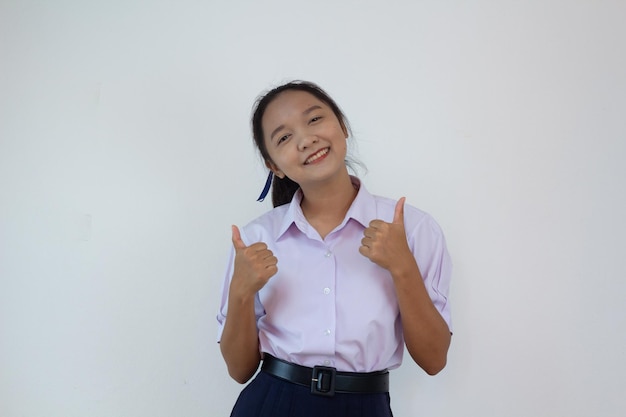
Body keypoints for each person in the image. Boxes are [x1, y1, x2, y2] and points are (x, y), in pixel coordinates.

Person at [216, 81, 452, 417]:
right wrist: (240, 293)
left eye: (314, 120)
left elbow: (434, 359)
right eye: (284, 137)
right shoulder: (256, 238)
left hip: (365, 406)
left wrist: (403, 268)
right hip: (271, 404)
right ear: (274, 166)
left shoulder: (413, 229)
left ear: (341, 125)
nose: (306, 139)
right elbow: (239, 371)